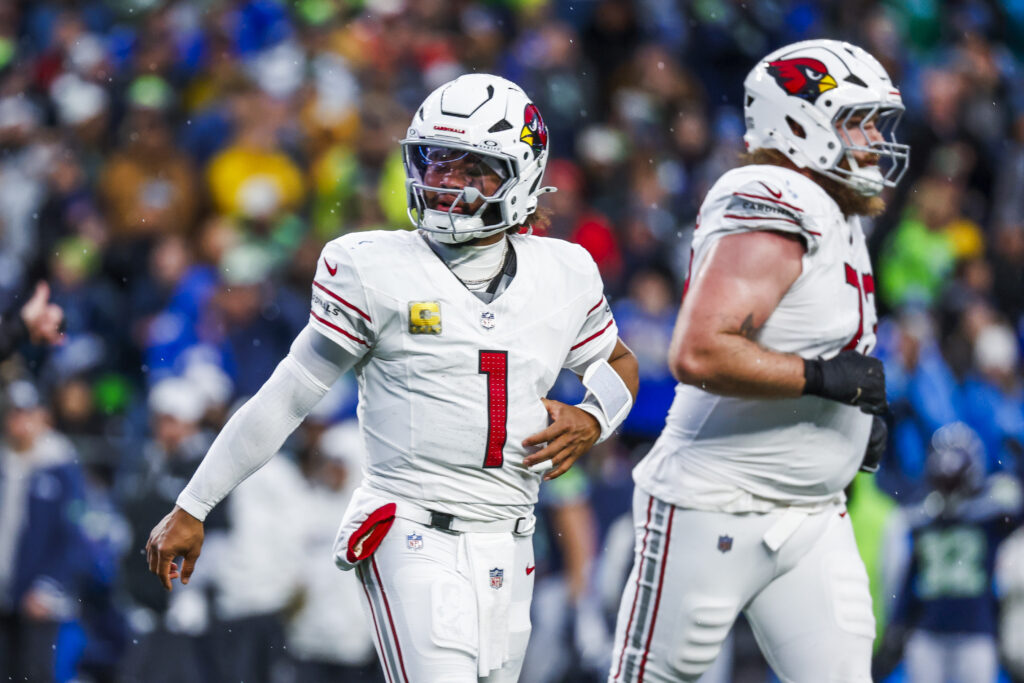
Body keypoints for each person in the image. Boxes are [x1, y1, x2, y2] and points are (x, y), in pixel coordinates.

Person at [146, 73, 639, 683]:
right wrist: (195, 503)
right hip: (410, 526)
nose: (444, 182)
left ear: (522, 176)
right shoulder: (372, 266)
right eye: (435, 161)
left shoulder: (564, 271)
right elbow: (288, 393)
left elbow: (619, 364)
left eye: (471, 166)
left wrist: (594, 418)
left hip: (512, 537)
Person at [609, 39, 908, 682]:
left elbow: (804, 344)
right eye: (856, 120)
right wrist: (827, 382)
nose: (873, 140)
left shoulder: (837, 212)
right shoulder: (774, 192)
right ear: (799, 123)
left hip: (813, 515)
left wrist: (847, 427)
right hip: (716, 502)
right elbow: (700, 349)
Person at [876, 422, 1022, 683]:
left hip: (976, 630)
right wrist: (898, 624)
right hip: (928, 629)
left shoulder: (991, 514)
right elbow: (908, 573)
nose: (949, 487)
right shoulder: (920, 518)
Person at [0, 281, 64, 359]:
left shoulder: (6, 345)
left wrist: (23, 320)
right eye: (46, 308)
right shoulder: (18, 293)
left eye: (46, 320)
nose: (41, 313)